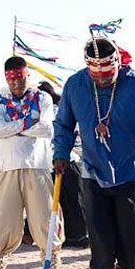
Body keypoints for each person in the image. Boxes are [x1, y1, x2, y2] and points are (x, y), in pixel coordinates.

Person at [53, 35, 135, 269]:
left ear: (117, 62)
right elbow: (63, 124)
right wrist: (61, 152)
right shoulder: (75, 85)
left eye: (108, 74)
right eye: (96, 76)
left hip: (129, 170)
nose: (103, 80)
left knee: (131, 230)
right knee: (98, 231)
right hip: (92, 170)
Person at [0, 57, 62, 269]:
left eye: (21, 78)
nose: (17, 83)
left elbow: (46, 129)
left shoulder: (43, 97)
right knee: (4, 217)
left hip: (38, 165)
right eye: (12, 79)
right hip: (8, 166)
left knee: (44, 216)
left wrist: (13, 128)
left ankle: (51, 260)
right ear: (6, 78)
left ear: (28, 75)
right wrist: (28, 123)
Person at [39, 80, 89, 249]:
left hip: (64, 161)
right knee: (60, 201)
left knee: (71, 201)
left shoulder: (56, 112)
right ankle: (65, 234)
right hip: (50, 162)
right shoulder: (48, 112)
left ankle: (78, 235)